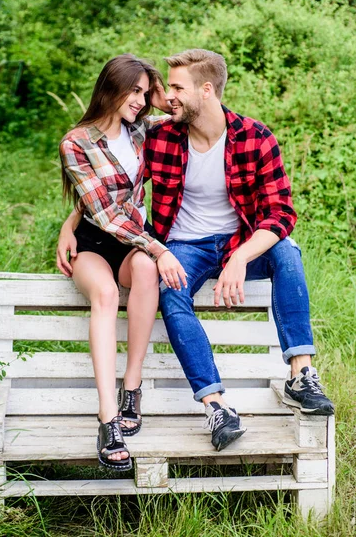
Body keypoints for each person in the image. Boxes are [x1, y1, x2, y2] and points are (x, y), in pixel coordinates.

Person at [59, 48, 334, 454]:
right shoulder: (159, 136)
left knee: (287, 253)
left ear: (207, 91)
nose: (168, 96)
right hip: (185, 245)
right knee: (171, 288)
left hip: (239, 243)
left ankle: (301, 373)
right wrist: (70, 224)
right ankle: (216, 406)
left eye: (176, 88)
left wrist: (240, 257)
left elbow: (281, 213)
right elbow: (113, 188)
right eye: (165, 88)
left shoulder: (255, 138)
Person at [58, 54, 186, 471]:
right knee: (109, 292)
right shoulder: (76, 142)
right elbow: (106, 213)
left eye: (145, 92)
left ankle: (133, 388)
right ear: (111, 88)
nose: (142, 100)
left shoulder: (140, 131)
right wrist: (158, 246)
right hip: (94, 244)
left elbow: (181, 111)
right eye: (135, 91)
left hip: (132, 242)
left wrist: (158, 91)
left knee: (146, 270)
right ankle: (108, 416)